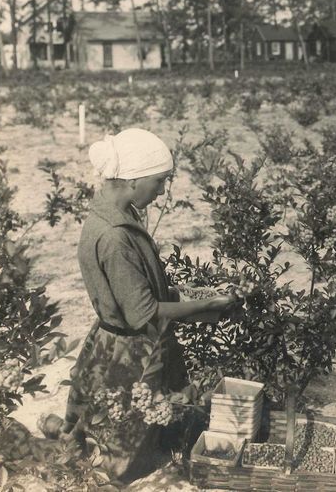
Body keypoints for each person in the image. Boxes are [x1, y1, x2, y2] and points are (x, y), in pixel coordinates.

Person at [39, 128, 236, 483]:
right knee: (122, 455)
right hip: (130, 355)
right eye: (159, 181)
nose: (161, 191)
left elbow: (138, 288)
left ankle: (78, 442)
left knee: (111, 426)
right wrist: (207, 304)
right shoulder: (115, 236)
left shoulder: (112, 218)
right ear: (132, 180)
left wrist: (195, 301)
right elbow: (143, 312)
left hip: (114, 342)